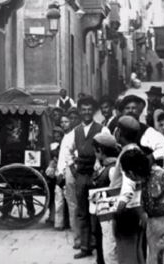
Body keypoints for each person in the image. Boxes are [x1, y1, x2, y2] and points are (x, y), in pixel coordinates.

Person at [58, 96, 111, 259]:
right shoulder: (75, 131)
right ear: (80, 111)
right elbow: (67, 150)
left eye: (89, 109)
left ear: (93, 111)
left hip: (96, 176)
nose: (86, 112)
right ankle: (85, 246)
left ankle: (99, 246)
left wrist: (100, 165)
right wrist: (72, 168)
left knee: (97, 211)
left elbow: (109, 148)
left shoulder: (102, 129)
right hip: (81, 175)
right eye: (83, 109)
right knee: (82, 212)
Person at [111, 121, 150, 264]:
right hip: (135, 207)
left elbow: (129, 184)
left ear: (119, 133)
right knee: (137, 249)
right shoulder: (133, 149)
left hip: (128, 209)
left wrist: (119, 207)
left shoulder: (128, 153)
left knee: (127, 251)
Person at [90, 133, 120, 264]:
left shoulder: (112, 169)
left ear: (100, 151)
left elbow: (116, 192)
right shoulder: (105, 166)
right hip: (102, 215)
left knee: (109, 246)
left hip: (109, 217)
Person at [46, 127, 65, 228]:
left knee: (58, 197)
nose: (57, 137)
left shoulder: (63, 145)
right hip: (54, 172)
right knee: (53, 196)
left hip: (60, 171)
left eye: (59, 136)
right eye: (55, 136)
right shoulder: (52, 145)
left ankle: (58, 219)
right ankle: (52, 216)